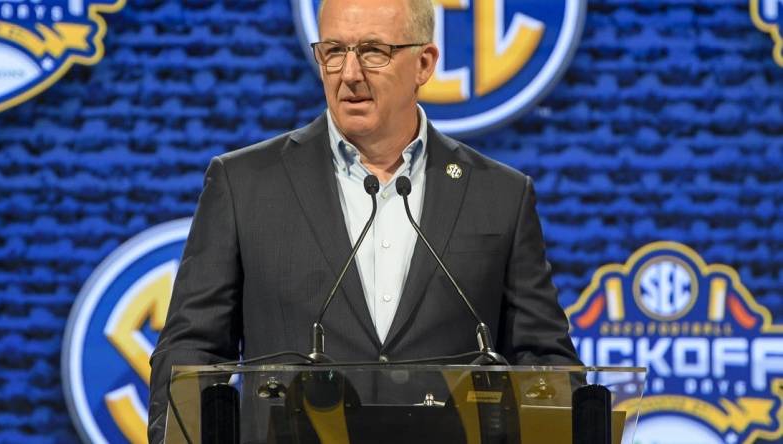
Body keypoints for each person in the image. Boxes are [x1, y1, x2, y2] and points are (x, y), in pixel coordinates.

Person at [148, 0, 581, 441]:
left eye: (374, 51)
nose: (349, 73)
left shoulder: (499, 195)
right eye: (334, 51)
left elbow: (544, 358)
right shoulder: (244, 185)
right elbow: (191, 352)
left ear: (424, 63)